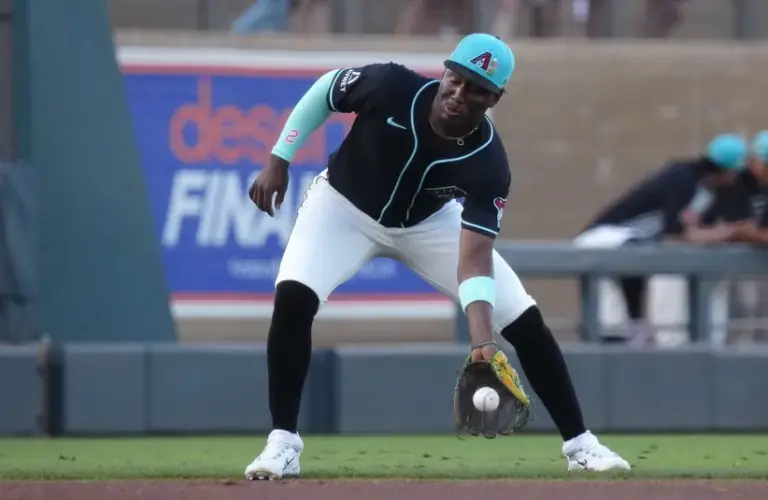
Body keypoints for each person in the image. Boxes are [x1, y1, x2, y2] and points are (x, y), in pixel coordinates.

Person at [243, 33, 631, 481]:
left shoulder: (489, 162)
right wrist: (280, 157)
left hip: (428, 225)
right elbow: (326, 91)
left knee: (525, 320)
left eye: (478, 89)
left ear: (495, 98)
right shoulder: (390, 86)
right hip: (342, 207)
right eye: (457, 79)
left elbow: (474, 257)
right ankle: (283, 444)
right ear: (445, 72)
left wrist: (482, 341)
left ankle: (582, 445)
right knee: (293, 298)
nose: (460, 94)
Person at [573, 134, 749, 345]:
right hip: (606, 239)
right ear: (727, 170)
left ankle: (636, 334)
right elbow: (676, 233)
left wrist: (721, 231)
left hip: (635, 244)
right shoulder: (682, 176)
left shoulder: (710, 193)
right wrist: (730, 231)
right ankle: (618, 340)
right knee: (612, 319)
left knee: (633, 308)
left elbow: (692, 232)